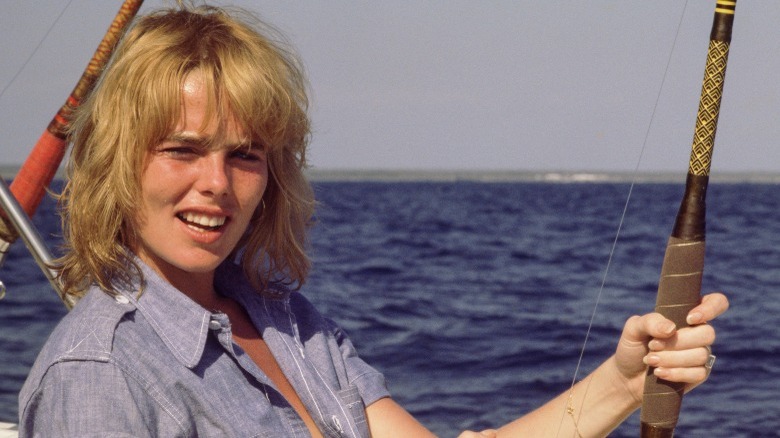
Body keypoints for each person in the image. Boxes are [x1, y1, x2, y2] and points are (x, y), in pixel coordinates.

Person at [19, 5, 729, 437]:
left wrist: (627, 380)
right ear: (117, 164)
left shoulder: (284, 321)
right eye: (182, 150)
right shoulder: (97, 373)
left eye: (245, 155)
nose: (217, 184)